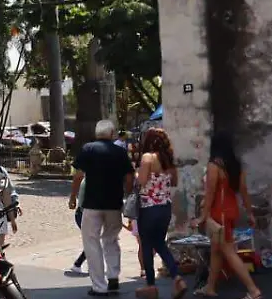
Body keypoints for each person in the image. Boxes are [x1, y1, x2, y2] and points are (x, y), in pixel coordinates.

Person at [70, 119, 133, 297]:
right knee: (111, 239)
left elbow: (78, 176)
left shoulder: (88, 149)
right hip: (114, 203)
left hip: (92, 204)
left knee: (91, 242)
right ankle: (113, 277)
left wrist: (73, 197)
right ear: (112, 133)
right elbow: (129, 177)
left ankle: (99, 285)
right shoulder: (120, 152)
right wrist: (127, 196)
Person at [197, 132, 261, 299]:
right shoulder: (235, 166)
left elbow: (210, 194)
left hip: (220, 214)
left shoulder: (214, 166)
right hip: (231, 212)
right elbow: (244, 192)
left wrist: (203, 216)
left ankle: (253, 290)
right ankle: (210, 288)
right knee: (216, 251)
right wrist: (250, 213)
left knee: (228, 251)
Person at [135, 128, 186, 299]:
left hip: (148, 208)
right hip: (165, 207)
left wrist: (136, 174)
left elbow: (142, 181)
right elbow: (175, 181)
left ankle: (151, 286)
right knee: (160, 243)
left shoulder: (147, 158)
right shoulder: (169, 161)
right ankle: (177, 277)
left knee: (147, 245)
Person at [67, 177, 89, 276]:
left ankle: (79, 264)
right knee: (93, 242)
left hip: (83, 214)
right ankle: (78, 264)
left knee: (93, 242)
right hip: (84, 215)